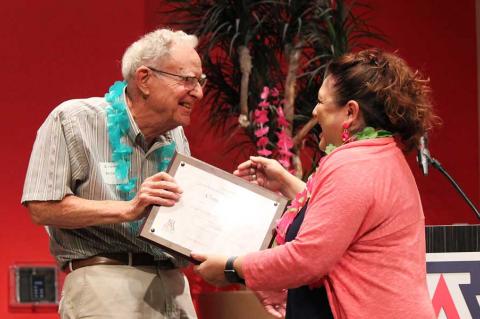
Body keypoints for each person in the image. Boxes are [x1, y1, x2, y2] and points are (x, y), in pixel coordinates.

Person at [191, 49, 437, 319]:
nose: (315, 111)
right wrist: (286, 182)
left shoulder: (354, 164)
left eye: (321, 101)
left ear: (351, 112)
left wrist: (231, 268)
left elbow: (307, 257)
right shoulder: (377, 154)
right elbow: (340, 219)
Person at [21, 28, 205, 319]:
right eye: (188, 80)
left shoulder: (176, 137)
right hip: (105, 283)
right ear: (144, 79)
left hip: (174, 286)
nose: (198, 91)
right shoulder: (73, 120)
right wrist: (129, 209)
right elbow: (41, 207)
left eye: (200, 81)